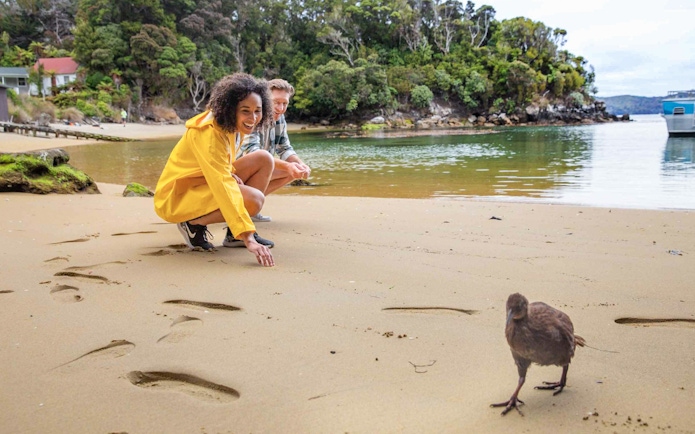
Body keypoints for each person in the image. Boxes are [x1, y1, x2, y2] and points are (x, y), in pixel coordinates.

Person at [154, 73, 276, 267]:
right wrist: (248, 236)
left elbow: (219, 168)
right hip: (177, 196)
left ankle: (232, 235)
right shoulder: (209, 133)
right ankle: (193, 224)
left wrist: (229, 173)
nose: (252, 118)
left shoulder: (231, 126)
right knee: (254, 200)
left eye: (257, 111)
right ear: (230, 109)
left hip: (201, 183)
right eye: (245, 111)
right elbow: (221, 184)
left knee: (264, 159)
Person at [236, 79, 311, 222]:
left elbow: (284, 147)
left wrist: (301, 165)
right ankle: (245, 207)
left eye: (285, 103)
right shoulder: (253, 116)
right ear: (264, 99)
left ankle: (251, 208)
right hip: (237, 171)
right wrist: (289, 166)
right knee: (280, 165)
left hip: (259, 169)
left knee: (293, 172)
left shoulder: (280, 118)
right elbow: (253, 153)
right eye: (276, 102)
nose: (281, 108)